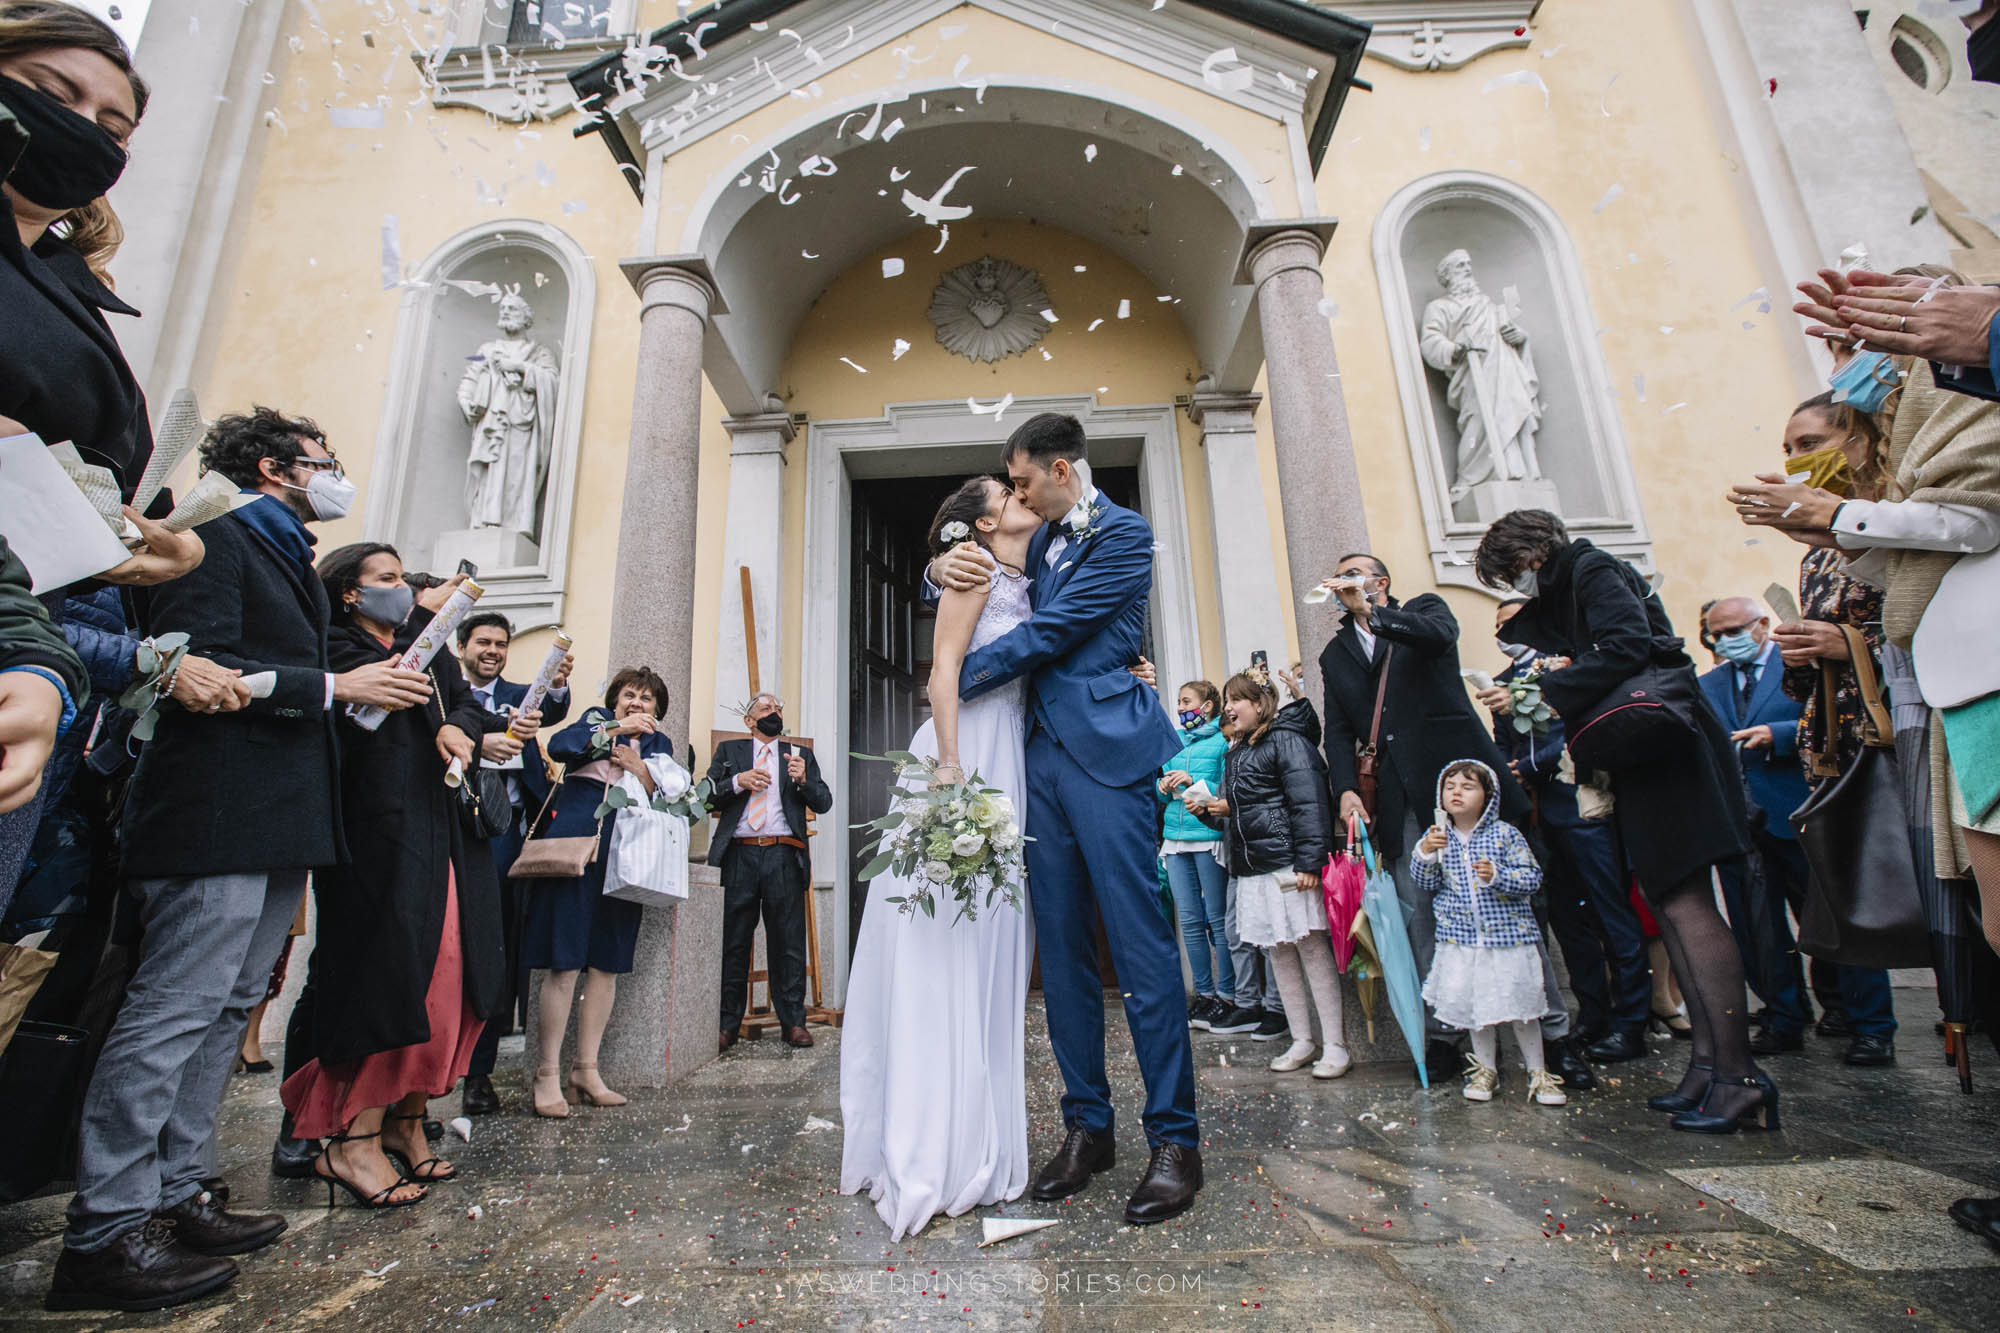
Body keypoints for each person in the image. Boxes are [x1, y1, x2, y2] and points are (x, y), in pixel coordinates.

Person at [48, 408, 423, 1312]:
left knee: (226, 1009)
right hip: (215, 806)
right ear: (272, 466)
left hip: (282, 814)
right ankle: (106, 1224)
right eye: (321, 460)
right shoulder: (209, 533)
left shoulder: (287, 549)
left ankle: (181, 1189)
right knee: (173, 1009)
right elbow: (197, 666)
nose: (333, 473)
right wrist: (339, 684)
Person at [923, 413, 1199, 1226]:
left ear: (1061, 471)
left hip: (1110, 753)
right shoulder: (1038, 539)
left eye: (1021, 480)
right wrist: (941, 561)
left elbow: (1050, 629)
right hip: (1036, 758)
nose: (1015, 494)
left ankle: (1175, 1140)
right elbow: (988, 582)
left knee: (1140, 949)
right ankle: (1088, 1127)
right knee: (1063, 954)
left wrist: (956, 679)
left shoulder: (1124, 533)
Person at [1476, 509, 1775, 1135]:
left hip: (1671, 748)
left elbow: (1628, 647)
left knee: (1689, 906)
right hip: (1644, 754)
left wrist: (1539, 693)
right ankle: (1707, 1065)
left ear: (1531, 555)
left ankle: (1739, 1075)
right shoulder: (1572, 582)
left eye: (1511, 574)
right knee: (1667, 904)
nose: (1515, 589)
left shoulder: (1592, 567)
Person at [840, 475, 1042, 1240]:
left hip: (1010, 754)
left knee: (990, 947)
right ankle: (933, 1144)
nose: (1023, 491)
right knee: (941, 946)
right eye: (1009, 488)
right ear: (984, 520)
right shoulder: (974, 568)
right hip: (967, 756)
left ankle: (976, 1132)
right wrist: (951, 769)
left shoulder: (1030, 567)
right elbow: (942, 670)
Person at [280, 546, 507, 1210]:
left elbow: (465, 705)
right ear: (350, 591)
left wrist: (460, 731)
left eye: (404, 577)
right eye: (388, 578)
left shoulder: (428, 648)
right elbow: (367, 708)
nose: (404, 585)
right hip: (378, 826)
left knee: (449, 972)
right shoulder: (336, 642)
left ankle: (405, 1123)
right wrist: (422, 622)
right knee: (388, 974)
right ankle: (351, 1138)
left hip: (441, 822)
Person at [1313, 552, 1540, 1085]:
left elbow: (1438, 638)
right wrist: (1345, 788)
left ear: (1381, 582)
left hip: (1456, 780)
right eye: (1338, 573)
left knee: (1508, 900)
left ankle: (1542, 1037)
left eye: (1355, 572)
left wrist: (1370, 611)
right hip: (1394, 796)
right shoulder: (1334, 653)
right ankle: (1445, 1035)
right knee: (1418, 913)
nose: (1344, 579)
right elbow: (1340, 729)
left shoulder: (1424, 610)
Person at [1700, 596, 1896, 1062]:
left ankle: (1870, 1026)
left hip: (1805, 811)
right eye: (1716, 634)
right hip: (1742, 824)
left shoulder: (1803, 669)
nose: (1726, 641)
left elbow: (1836, 718)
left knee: (1841, 923)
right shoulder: (1708, 684)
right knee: (1759, 929)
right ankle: (1782, 1017)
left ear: (1762, 625)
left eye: (1734, 630)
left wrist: (1780, 735)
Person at [1478, 599, 1653, 1063]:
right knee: (1567, 921)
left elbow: (1581, 730)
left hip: (1585, 806)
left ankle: (1633, 1020)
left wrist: (1530, 765)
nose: (1504, 632)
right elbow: (1504, 742)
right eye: (1498, 626)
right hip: (1540, 817)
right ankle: (1592, 1015)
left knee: (1611, 914)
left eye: (1512, 623)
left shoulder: (1577, 666)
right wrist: (1505, 770)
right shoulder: (1500, 685)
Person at [524, 666, 673, 1118]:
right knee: (564, 961)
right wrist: (615, 730)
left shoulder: (660, 746)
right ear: (614, 699)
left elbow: (671, 795)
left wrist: (641, 770)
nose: (637, 704)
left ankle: (586, 1069)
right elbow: (560, 745)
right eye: (629, 695)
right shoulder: (594, 719)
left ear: (657, 711)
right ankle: (546, 1073)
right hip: (576, 847)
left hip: (626, 857)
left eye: (647, 700)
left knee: (606, 965)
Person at [1190, 673, 1349, 1080]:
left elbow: (1309, 802)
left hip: (1287, 864)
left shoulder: (1287, 740)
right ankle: (1301, 1040)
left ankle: (1335, 1044)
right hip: (1254, 868)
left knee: (1312, 952)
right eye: (1226, 700)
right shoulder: (1237, 751)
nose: (1228, 707)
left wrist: (1310, 863)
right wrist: (1210, 812)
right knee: (1279, 954)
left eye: (1237, 700)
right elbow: (1245, 812)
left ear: (1261, 704)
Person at [455, 610, 573, 1116]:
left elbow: (550, 710)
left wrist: (558, 686)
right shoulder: (446, 694)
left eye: (500, 644)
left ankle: (478, 1074)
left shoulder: (517, 697)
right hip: (452, 829)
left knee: (497, 956)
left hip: (506, 836)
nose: (493, 651)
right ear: (462, 646)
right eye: (483, 642)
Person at [1413, 759, 1566, 1106]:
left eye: (1467, 787)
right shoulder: (1437, 837)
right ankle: (1486, 1069)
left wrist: (1497, 876)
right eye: (1450, 786)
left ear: (1488, 796)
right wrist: (1424, 855)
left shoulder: (1505, 835)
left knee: (1523, 1006)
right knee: (1475, 1009)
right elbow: (1426, 884)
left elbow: (1531, 878)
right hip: (1462, 941)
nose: (1456, 793)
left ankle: (1538, 1071)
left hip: (1508, 939)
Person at [708, 691, 833, 1050]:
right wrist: (737, 782)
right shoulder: (729, 753)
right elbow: (705, 795)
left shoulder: (799, 755)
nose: (774, 712)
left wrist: (804, 780)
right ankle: (727, 1024)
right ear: (749, 720)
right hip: (739, 856)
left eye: (778, 707)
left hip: (783, 855)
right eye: (766, 708)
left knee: (788, 942)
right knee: (734, 941)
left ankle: (793, 1022)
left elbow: (823, 802)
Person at [1156, 679, 1242, 1033]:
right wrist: (1161, 787)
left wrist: (1192, 781)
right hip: (1174, 837)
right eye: (1178, 701)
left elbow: (1226, 789)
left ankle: (1228, 993)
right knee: (1189, 920)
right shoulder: (1172, 740)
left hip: (1207, 835)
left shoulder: (1223, 741)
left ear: (1207, 705)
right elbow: (1160, 794)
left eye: (1186, 700)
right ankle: (1203, 993)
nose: (1179, 707)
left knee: (1216, 918)